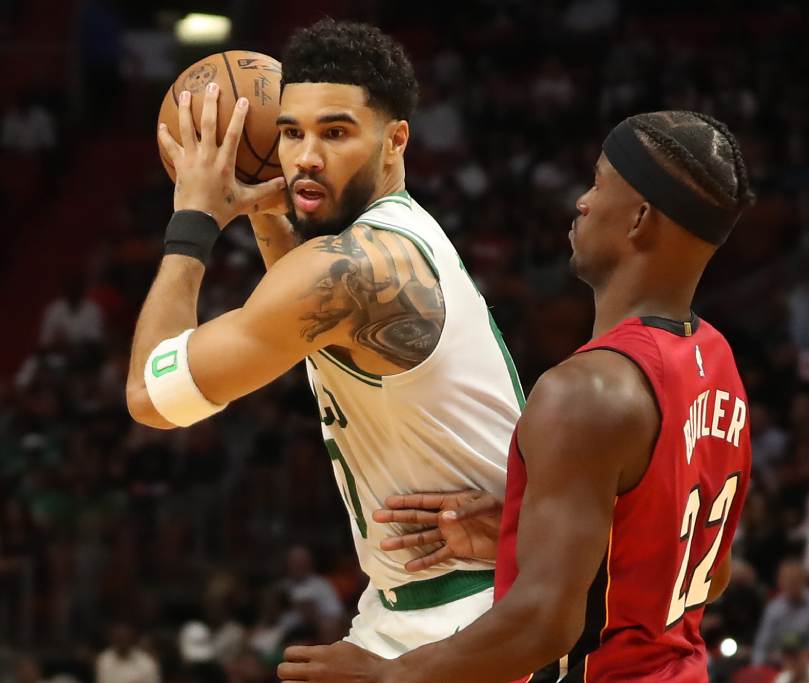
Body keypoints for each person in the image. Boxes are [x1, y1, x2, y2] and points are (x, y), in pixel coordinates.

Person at [277, 110, 755, 681]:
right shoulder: (717, 362)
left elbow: (543, 626)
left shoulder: (586, 392)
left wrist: (387, 674)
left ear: (640, 220)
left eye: (599, 184)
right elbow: (708, 569)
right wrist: (530, 538)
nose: (581, 201)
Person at [125, 19, 523, 656]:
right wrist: (265, 210)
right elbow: (305, 297)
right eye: (289, 133)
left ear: (396, 141)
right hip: (428, 602)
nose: (305, 157)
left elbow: (153, 397)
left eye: (335, 133)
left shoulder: (357, 268)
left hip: (466, 611)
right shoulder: (393, 234)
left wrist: (193, 220)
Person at [753, 558, 809, 666]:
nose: (791, 584)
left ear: (805, 581)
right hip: (776, 663)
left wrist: (796, 661)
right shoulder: (773, 608)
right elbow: (762, 645)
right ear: (780, 582)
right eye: (786, 580)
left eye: (795, 580)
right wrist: (757, 667)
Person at [95, 621, 161, 683]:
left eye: (124, 638)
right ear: (112, 639)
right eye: (119, 638)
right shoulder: (104, 659)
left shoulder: (147, 663)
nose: (122, 642)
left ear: (133, 638)